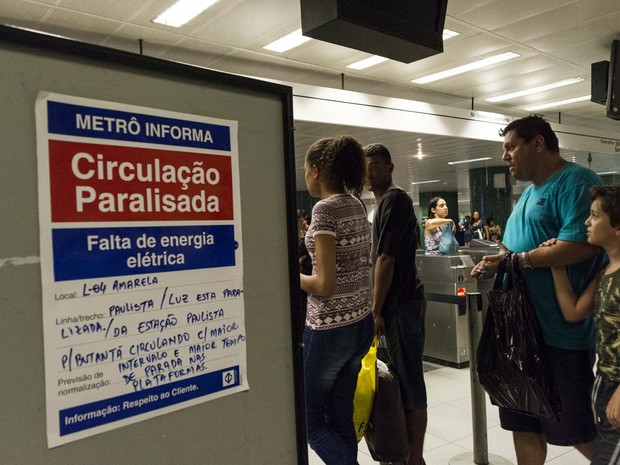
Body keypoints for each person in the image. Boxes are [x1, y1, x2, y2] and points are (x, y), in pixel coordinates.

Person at [471, 115, 605, 465]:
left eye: (511, 146)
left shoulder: (575, 182)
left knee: (575, 428)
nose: (505, 156)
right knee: (523, 422)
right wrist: (494, 263)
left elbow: (579, 247)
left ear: (539, 143)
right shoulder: (528, 194)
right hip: (518, 334)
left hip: (558, 334)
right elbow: (514, 251)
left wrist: (516, 262)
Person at [300, 135, 374, 465]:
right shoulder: (356, 203)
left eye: (305, 170)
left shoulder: (325, 210)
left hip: (330, 328)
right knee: (342, 414)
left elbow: (324, 284)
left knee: (311, 420)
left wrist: (288, 275)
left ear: (316, 170)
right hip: (361, 323)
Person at [545, 185, 620, 465]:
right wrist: (557, 265)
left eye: (595, 216)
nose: (587, 222)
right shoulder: (606, 271)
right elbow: (574, 312)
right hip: (604, 380)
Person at [364, 143, 427, 465]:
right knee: (399, 379)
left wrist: (375, 309)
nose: (369, 172)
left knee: (410, 378)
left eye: (375, 165)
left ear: (389, 167)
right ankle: (403, 453)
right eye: (366, 166)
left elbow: (385, 259)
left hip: (400, 304)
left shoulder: (395, 200)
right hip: (396, 304)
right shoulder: (382, 205)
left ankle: (414, 457)